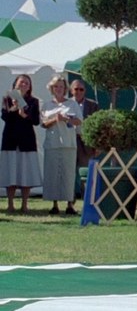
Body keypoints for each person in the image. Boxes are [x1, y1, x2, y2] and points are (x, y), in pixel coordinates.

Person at [41, 75, 83, 215]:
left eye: (61, 87)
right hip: (52, 144)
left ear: (65, 89)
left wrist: (66, 119)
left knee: (68, 175)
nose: (58, 89)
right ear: (52, 88)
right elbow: (43, 124)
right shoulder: (47, 105)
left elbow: (79, 121)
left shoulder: (72, 104)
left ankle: (70, 204)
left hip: (68, 144)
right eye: (56, 87)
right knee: (53, 174)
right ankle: (54, 204)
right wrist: (55, 119)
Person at [0, 74, 41, 214]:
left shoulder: (33, 101)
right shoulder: (7, 99)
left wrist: (25, 115)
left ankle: (24, 205)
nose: (24, 85)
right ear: (15, 84)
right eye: (21, 82)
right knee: (10, 172)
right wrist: (13, 108)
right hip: (10, 140)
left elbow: (36, 121)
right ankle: (10, 204)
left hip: (26, 141)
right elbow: (4, 116)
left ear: (29, 87)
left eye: (27, 83)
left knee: (26, 173)